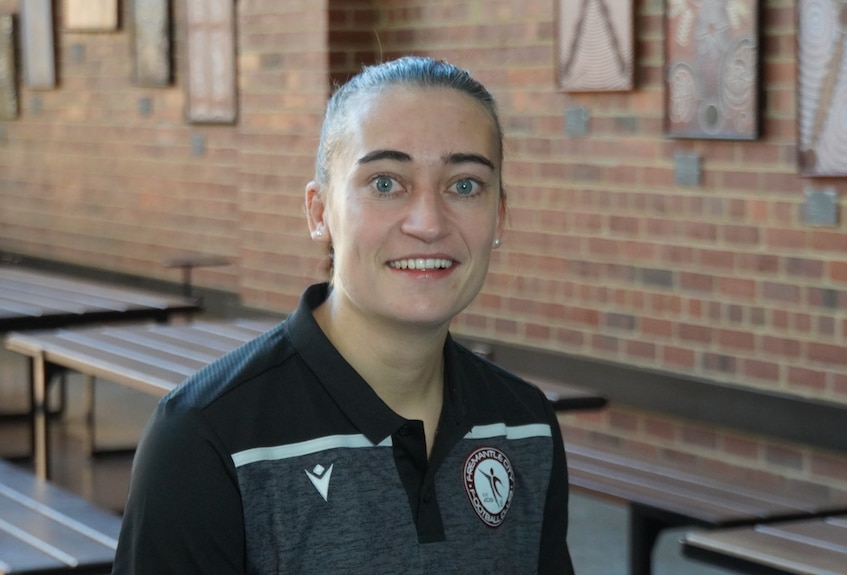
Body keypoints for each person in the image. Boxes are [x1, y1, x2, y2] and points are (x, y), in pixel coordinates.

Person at [112, 55, 574, 574]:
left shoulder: (525, 424)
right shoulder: (206, 437)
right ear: (319, 213)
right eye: (385, 183)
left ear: (499, 216)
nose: (427, 222)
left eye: (464, 184)